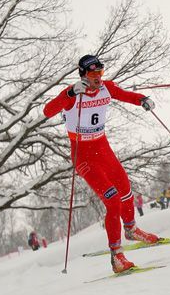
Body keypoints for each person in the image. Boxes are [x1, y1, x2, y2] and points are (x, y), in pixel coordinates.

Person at [43, 54, 160, 274]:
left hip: (102, 148)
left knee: (125, 190)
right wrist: (68, 93)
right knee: (113, 200)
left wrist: (142, 99)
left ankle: (132, 229)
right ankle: (117, 256)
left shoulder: (106, 88)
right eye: (93, 73)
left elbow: (124, 94)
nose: (98, 77)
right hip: (83, 154)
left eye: (100, 72)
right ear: (83, 74)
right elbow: (47, 111)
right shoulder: (73, 93)